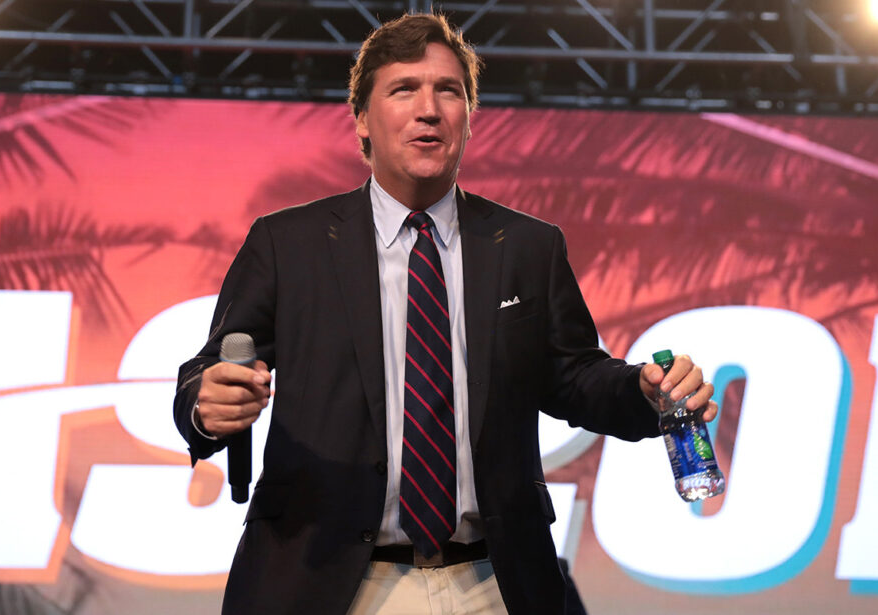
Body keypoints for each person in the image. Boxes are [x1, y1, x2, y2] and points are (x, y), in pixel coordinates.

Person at [173, 13, 717, 615]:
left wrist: (644, 390)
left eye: (448, 91)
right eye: (404, 89)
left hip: (494, 583)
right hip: (328, 581)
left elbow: (574, 377)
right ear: (362, 119)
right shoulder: (287, 244)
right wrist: (206, 405)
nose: (428, 110)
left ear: (468, 116)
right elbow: (207, 371)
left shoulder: (528, 246)